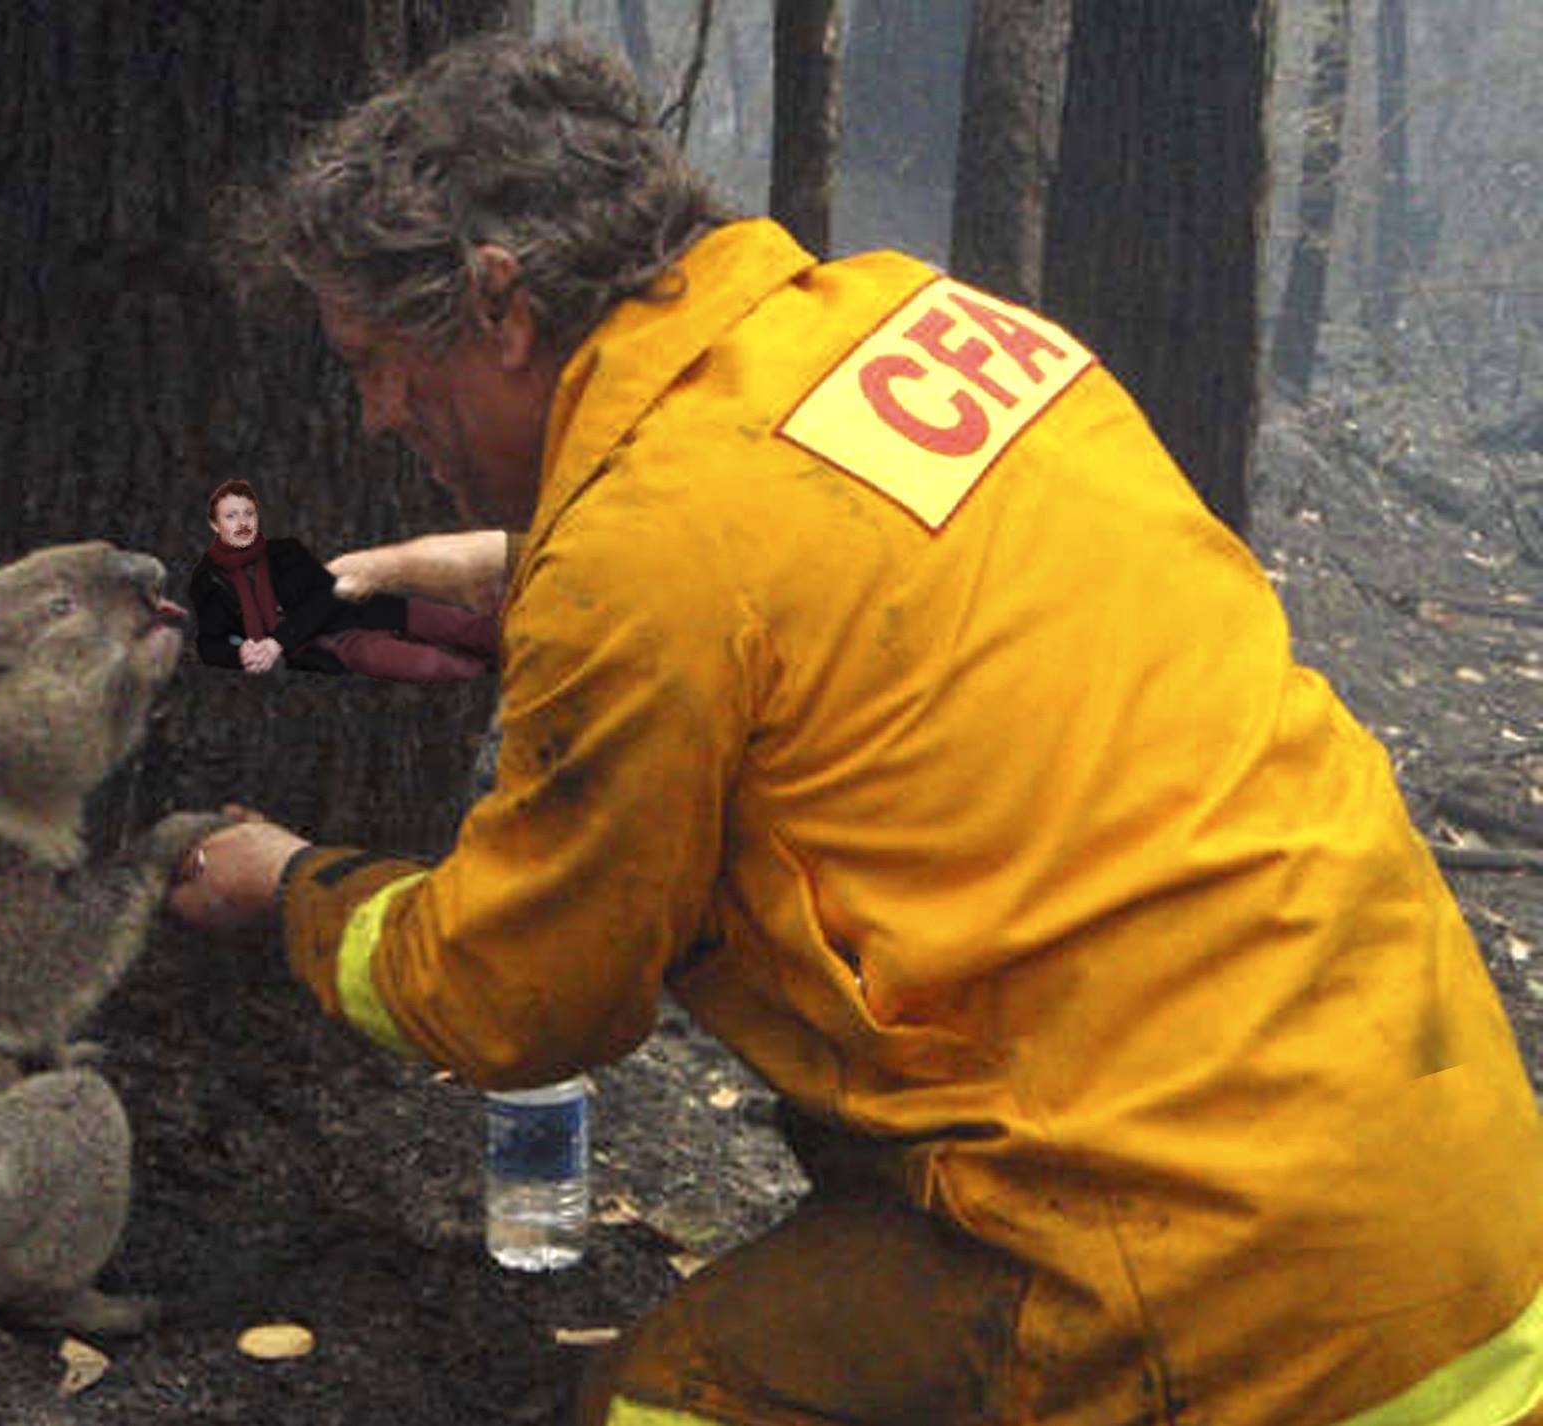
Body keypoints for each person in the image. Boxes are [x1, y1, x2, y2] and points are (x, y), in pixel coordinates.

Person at [168, 34, 1543, 1426]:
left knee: (654, 1407)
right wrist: (534, 583)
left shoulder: (651, 555)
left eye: (381, 362)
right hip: (1464, 1206)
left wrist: (290, 883)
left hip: (1217, 1282)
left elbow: (521, 994)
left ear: (501, 305)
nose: (375, 411)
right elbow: (859, 592)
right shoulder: (918, 322)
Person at [188, 478, 497, 682]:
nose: (242, 524)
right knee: (426, 665)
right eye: (231, 517)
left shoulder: (286, 554)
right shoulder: (210, 580)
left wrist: (278, 641)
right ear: (215, 525)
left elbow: (325, 596)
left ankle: (524, 644)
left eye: (248, 515)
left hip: (368, 610)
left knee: (465, 627)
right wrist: (240, 654)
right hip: (338, 644)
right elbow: (210, 645)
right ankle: (490, 672)